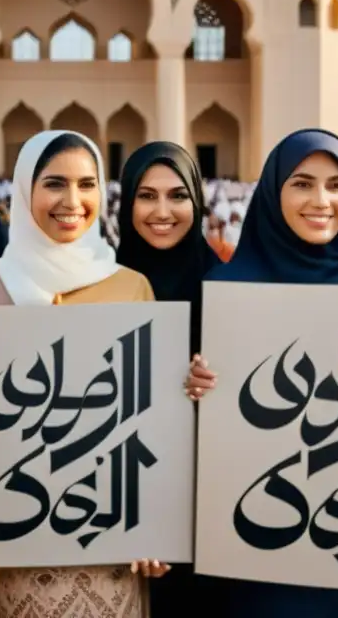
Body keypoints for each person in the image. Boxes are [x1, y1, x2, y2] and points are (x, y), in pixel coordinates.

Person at [0, 130, 170, 618]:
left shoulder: (132, 287)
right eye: (54, 184)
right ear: (25, 190)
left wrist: (155, 528)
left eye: (87, 184)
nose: (72, 201)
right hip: (6, 552)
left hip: (106, 550)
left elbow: (152, 424)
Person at [194, 129, 338, 617]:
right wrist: (193, 388)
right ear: (274, 191)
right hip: (258, 546)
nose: (321, 200)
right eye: (302, 184)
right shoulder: (227, 290)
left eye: (336, 185)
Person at [115, 141, 223, 616]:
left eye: (178, 196)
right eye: (146, 196)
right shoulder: (100, 289)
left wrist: (216, 387)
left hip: (211, 510)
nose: (163, 211)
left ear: (197, 202)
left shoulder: (229, 289)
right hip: (119, 506)